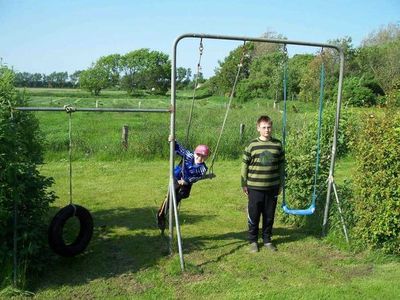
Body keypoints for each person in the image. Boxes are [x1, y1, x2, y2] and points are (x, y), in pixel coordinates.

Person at [241, 115, 284, 253]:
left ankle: (267, 240)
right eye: (264, 127)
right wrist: (243, 183)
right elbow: (244, 165)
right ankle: (253, 240)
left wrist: (281, 183)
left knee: (269, 215)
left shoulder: (278, 144)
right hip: (254, 187)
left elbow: (282, 166)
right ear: (258, 128)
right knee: (254, 214)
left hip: (272, 187)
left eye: (269, 127)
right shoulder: (252, 145)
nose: (267, 130)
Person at [157, 139, 210, 233]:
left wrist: (185, 181)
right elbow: (180, 149)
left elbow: (196, 178)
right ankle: (161, 215)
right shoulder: (189, 155)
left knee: (184, 194)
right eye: (198, 155)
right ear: (195, 153)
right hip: (176, 178)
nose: (200, 158)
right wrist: (173, 142)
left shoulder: (203, 168)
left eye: (203, 156)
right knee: (169, 197)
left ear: (206, 157)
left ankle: (173, 207)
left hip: (186, 182)